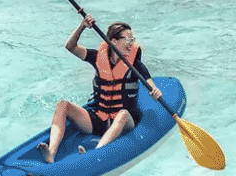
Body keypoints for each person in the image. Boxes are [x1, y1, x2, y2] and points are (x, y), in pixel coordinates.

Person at [45, 17, 160, 163]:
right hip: (99, 119)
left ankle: (95, 155)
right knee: (63, 105)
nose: (132, 43)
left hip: (125, 122)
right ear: (114, 42)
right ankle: (51, 152)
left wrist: (155, 93)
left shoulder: (136, 66)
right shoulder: (97, 57)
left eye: (132, 39)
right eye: (128, 39)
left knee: (123, 114)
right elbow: (70, 46)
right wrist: (82, 26)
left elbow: (152, 87)